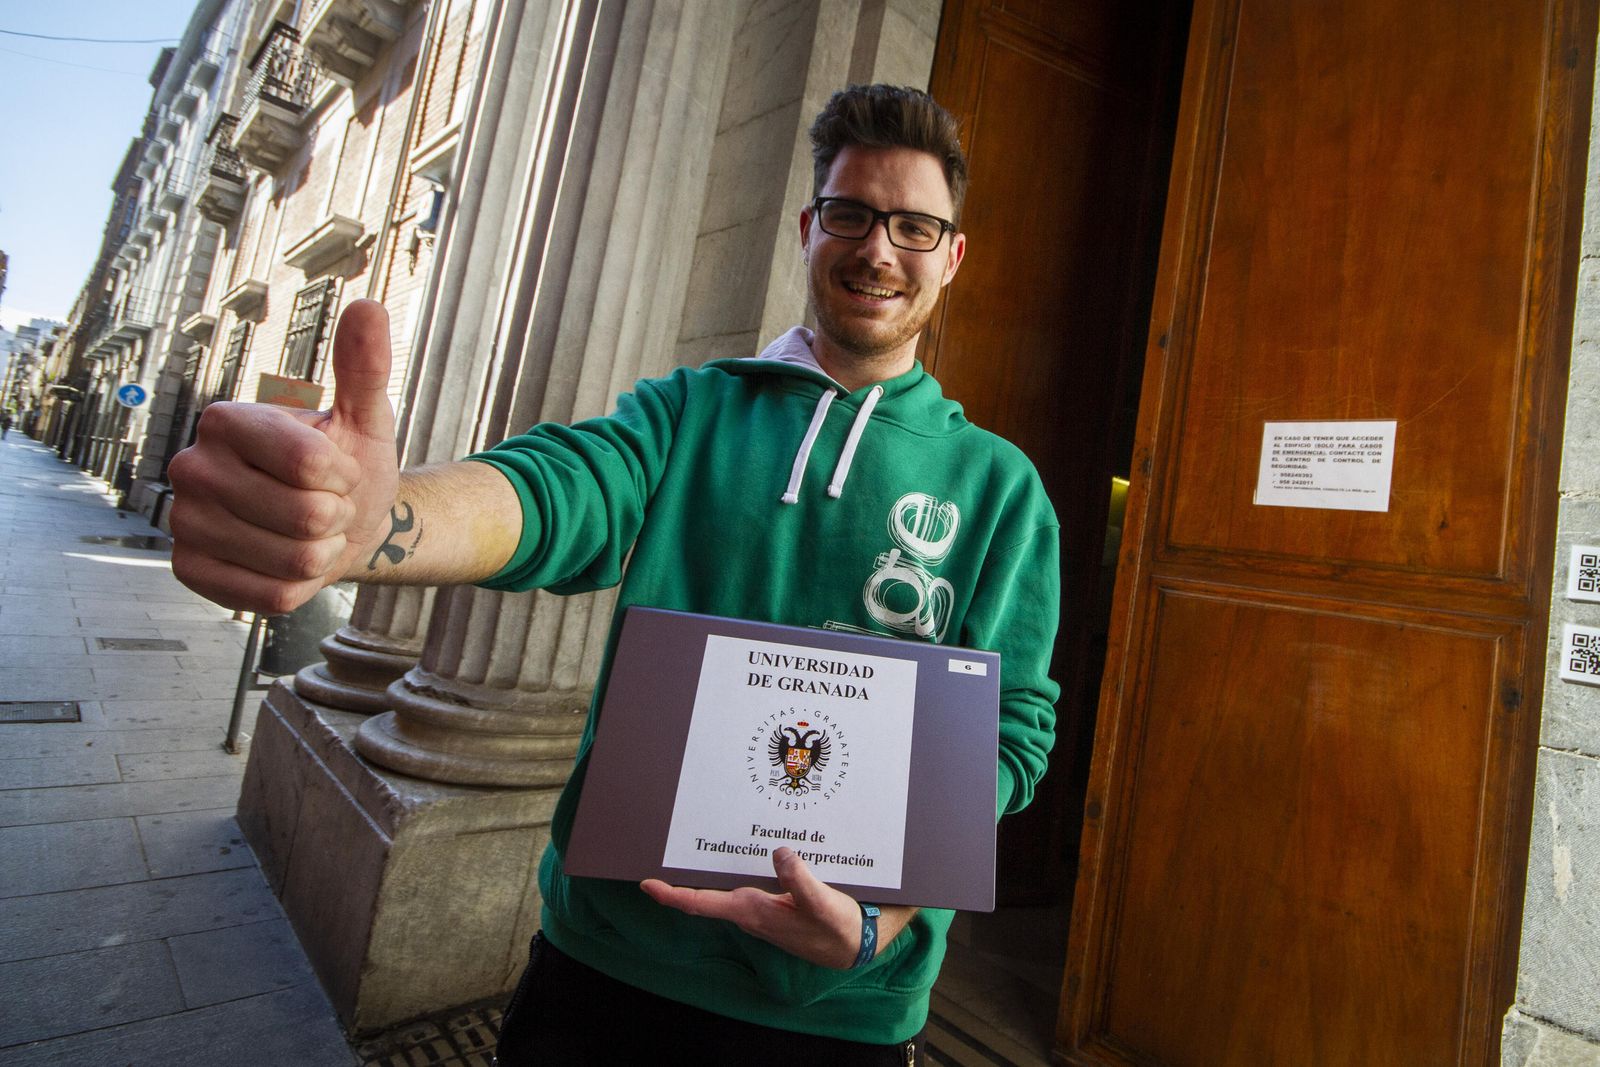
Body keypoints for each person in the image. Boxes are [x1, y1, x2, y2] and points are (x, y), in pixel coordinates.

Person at [169, 84, 1059, 1065]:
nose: (878, 249)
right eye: (849, 214)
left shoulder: (1000, 487)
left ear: (952, 254)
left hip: (841, 1010)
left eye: (915, 226)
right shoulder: (688, 411)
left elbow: (1006, 732)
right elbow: (557, 491)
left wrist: (880, 919)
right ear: (807, 228)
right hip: (608, 971)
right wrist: (384, 520)